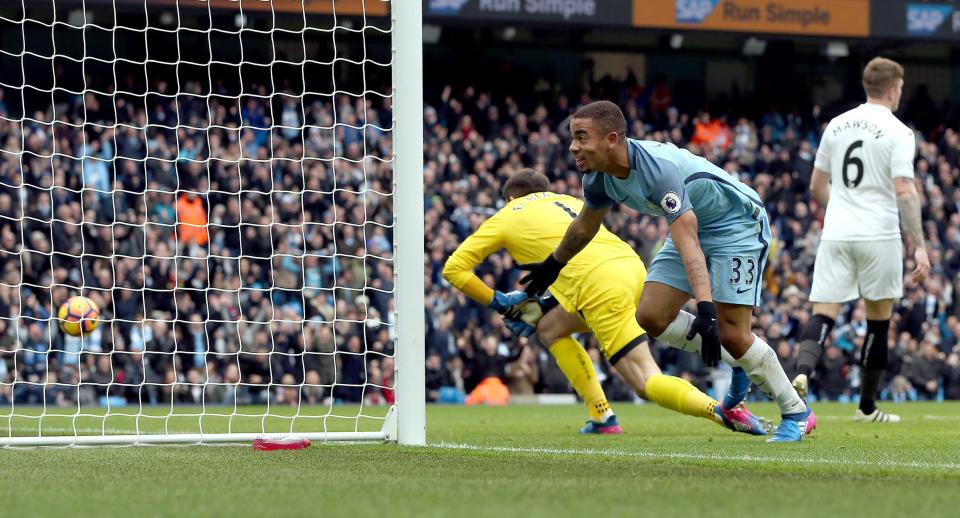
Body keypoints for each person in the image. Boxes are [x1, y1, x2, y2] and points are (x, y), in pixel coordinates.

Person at [518, 102, 813, 442]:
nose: (573, 147)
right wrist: (553, 265)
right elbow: (584, 227)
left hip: (736, 225)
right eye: (572, 138)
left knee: (733, 333)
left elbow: (688, 243)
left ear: (612, 139)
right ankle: (739, 362)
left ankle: (796, 411)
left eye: (581, 138)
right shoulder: (597, 178)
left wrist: (705, 309)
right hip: (690, 226)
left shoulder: (657, 171)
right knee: (650, 316)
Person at [443, 168, 769, 436]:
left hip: (599, 287)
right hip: (629, 266)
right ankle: (602, 416)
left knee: (645, 381)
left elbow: (454, 269)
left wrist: (498, 302)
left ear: (511, 198)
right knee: (550, 328)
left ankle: (720, 411)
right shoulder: (565, 200)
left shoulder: (506, 215)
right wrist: (540, 304)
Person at [792, 57, 930, 423]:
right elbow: (904, 190)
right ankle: (866, 407)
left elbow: (817, 186)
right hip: (879, 235)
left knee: (823, 312)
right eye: (900, 88)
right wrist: (918, 244)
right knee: (878, 323)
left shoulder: (835, 126)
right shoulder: (899, 132)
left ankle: (803, 371)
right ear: (892, 89)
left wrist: (840, 207)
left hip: (836, 231)